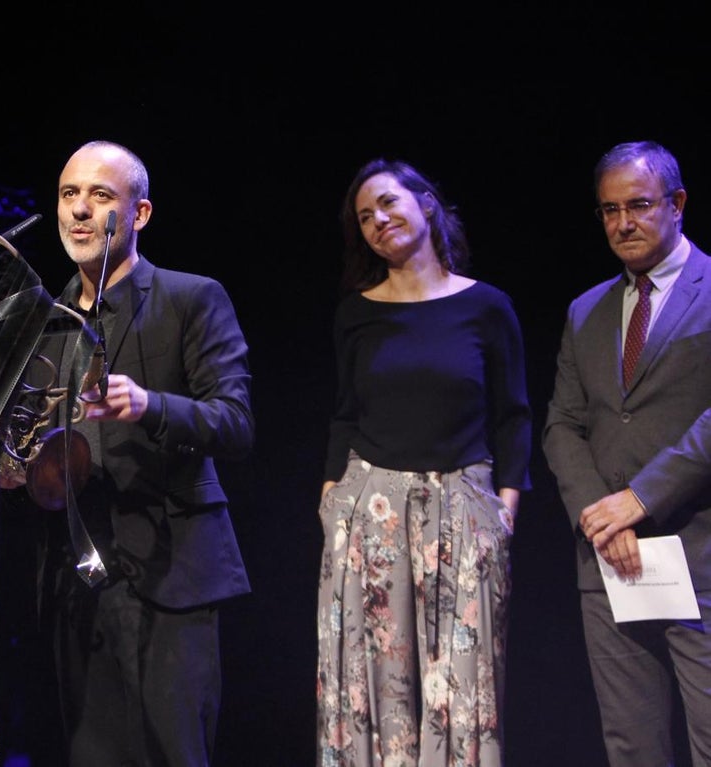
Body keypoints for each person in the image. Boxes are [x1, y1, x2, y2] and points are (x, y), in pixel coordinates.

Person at [11, 139, 254, 766]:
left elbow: (236, 422)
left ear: (139, 213)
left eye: (100, 195)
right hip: (77, 579)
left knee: (174, 753)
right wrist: (16, 467)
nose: (81, 211)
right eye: (69, 195)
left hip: (172, 573)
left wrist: (150, 405)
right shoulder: (43, 321)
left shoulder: (191, 298)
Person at [317, 158, 532, 765]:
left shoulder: (487, 306)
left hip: (463, 505)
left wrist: (505, 511)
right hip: (370, 510)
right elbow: (345, 413)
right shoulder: (356, 313)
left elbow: (513, 416)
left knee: (464, 685)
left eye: (387, 203)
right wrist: (330, 496)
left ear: (426, 204)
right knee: (373, 679)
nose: (378, 220)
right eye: (364, 216)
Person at [543, 140, 711, 766]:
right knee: (631, 744)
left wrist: (640, 499)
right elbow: (562, 424)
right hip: (611, 560)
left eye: (638, 206)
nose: (622, 224)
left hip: (698, 550)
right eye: (608, 211)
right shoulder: (587, 310)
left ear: (678, 204)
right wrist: (599, 513)